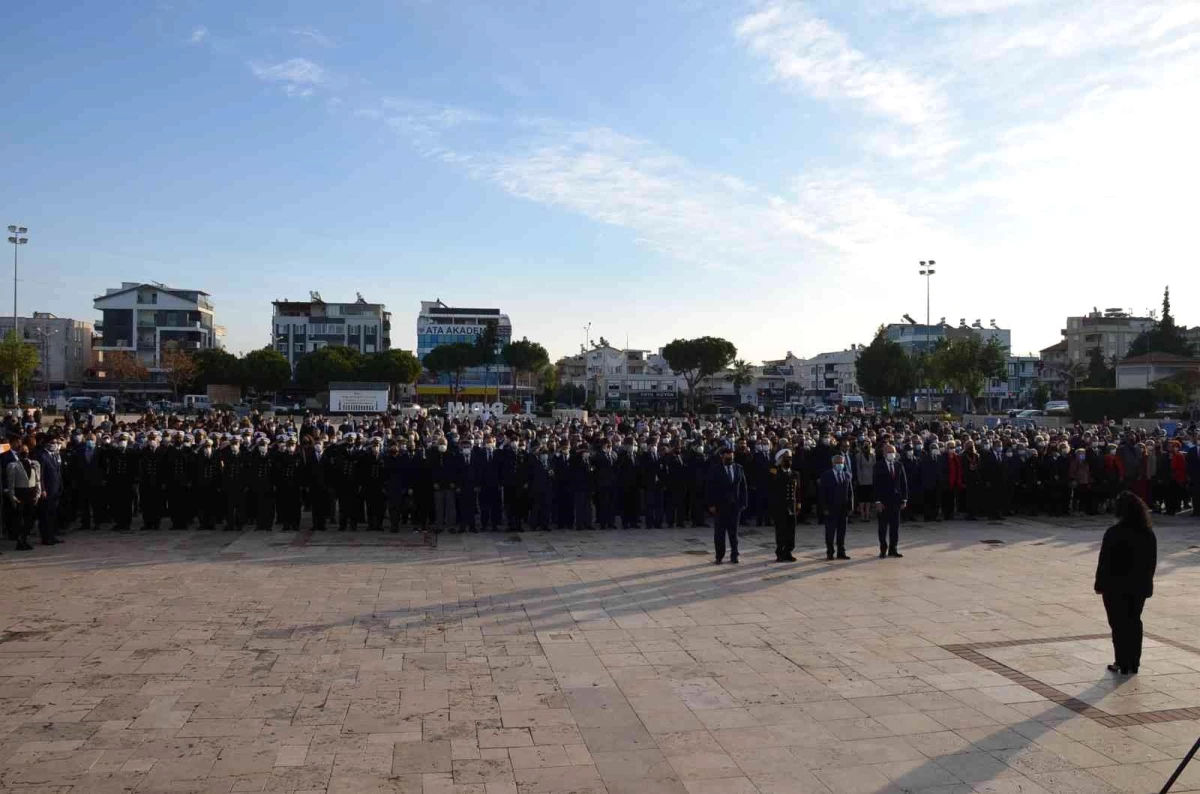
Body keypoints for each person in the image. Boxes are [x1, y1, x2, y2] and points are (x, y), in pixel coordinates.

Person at [1094, 491, 1157, 676]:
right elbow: (1151, 562)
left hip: (1115, 587)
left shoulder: (1114, 533)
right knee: (1134, 622)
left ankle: (1121, 661)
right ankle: (1134, 662)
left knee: (1118, 624)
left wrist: (1099, 584)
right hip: (1138, 587)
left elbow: (1104, 562)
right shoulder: (1147, 533)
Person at [706, 445, 747, 564]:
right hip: (720, 506)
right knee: (719, 533)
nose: (730, 460)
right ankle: (719, 556)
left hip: (735, 506)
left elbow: (743, 486)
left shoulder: (738, 468)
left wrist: (743, 503)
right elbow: (710, 488)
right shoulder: (715, 469)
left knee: (733, 533)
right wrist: (711, 504)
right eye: (727, 458)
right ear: (722, 457)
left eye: (731, 458)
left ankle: (735, 555)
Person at [873, 443, 908, 559]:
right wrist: (877, 501)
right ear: (884, 454)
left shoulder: (899, 465)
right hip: (883, 502)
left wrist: (904, 499)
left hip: (896, 501)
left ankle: (894, 549)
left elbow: (903, 483)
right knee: (882, 528)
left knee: (895, 527)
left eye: (893, 452)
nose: (891, 454)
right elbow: (875, 485)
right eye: (888, 452)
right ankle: (883, 548)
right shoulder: (878, 466)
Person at [5, 441, 41, 551]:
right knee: (20, 519)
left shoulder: (35, 464)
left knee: (29, 519)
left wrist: (38, 493)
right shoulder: (13, 466)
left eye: (26, 450)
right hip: (20, 494)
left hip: (31, 494)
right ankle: (20, 541)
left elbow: (38, 480)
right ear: (19, 452)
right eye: (22, 450)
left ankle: (25, 539)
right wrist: (12, 497)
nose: (24, 452)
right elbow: (10, 483)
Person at [819, 453, 854, 560]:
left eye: (841, 463)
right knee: (830, 531)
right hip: (831, 508)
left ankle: (841, 551)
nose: (840, 464)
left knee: (841, 531)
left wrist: (850, 507)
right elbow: (822, 493)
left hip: (843, 508)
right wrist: (824, 508)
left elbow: (850, 492)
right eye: (838, 463)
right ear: (833, 463)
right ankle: (830, 552)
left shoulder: (847, 475)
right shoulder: (826, 475)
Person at [768, 449, 800, 562]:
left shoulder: (795, 473)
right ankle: (780, 552)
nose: (788, 460)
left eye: (790, 458)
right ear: (780, 459)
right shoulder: (775, 472)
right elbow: (769, 483)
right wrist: (776, 465)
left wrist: (798, 505)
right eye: (785, 458)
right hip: (780, 506)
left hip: (791, 506)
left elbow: (798, 491)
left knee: (791, 531)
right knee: (781, 531)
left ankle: (788, 552)